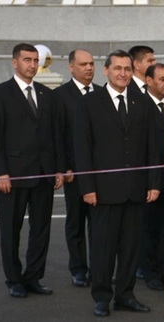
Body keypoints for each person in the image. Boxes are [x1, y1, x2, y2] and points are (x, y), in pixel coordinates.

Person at [75, 50, 160, 317]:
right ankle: (102, 297)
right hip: (103, 192)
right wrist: (87, 187)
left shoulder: (141, 102)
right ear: (106, 71)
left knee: (131, 249)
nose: (122, 74)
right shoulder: (90, 102)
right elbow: (82, 148)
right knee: (102, 249)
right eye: (117, 69)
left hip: (135, 190)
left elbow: (151, 148)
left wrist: (153, 182)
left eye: (126, 69)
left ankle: (125, 295)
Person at [0, 43, 64, 298]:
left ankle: (33, 278)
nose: (32, 65)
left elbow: (55, 135)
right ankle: (14, 279)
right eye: (27, 59)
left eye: (35, 60)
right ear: (14, 62)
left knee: (41, 230)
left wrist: (59, 169)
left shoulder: (46, 94)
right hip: (12, 175)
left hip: (43, 174)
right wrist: (0, 173)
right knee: (10, 229)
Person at [52, 48, 101, 288]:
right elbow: (58, 135)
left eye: (91, 64)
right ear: (71, 67)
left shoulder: (102, 93)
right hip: (75, 173)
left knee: (100, 224)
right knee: (76, 222)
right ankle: (78, 268)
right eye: (83, 64)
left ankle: (98, 268)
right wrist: (64, 168)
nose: (88, 68)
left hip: (101, 173)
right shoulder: (60, 96)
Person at [139, 63, 164, 291]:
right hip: (149, 180)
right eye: (162, 79)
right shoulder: (140, 106)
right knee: (148, 228)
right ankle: (149, 271)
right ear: (149, 81)